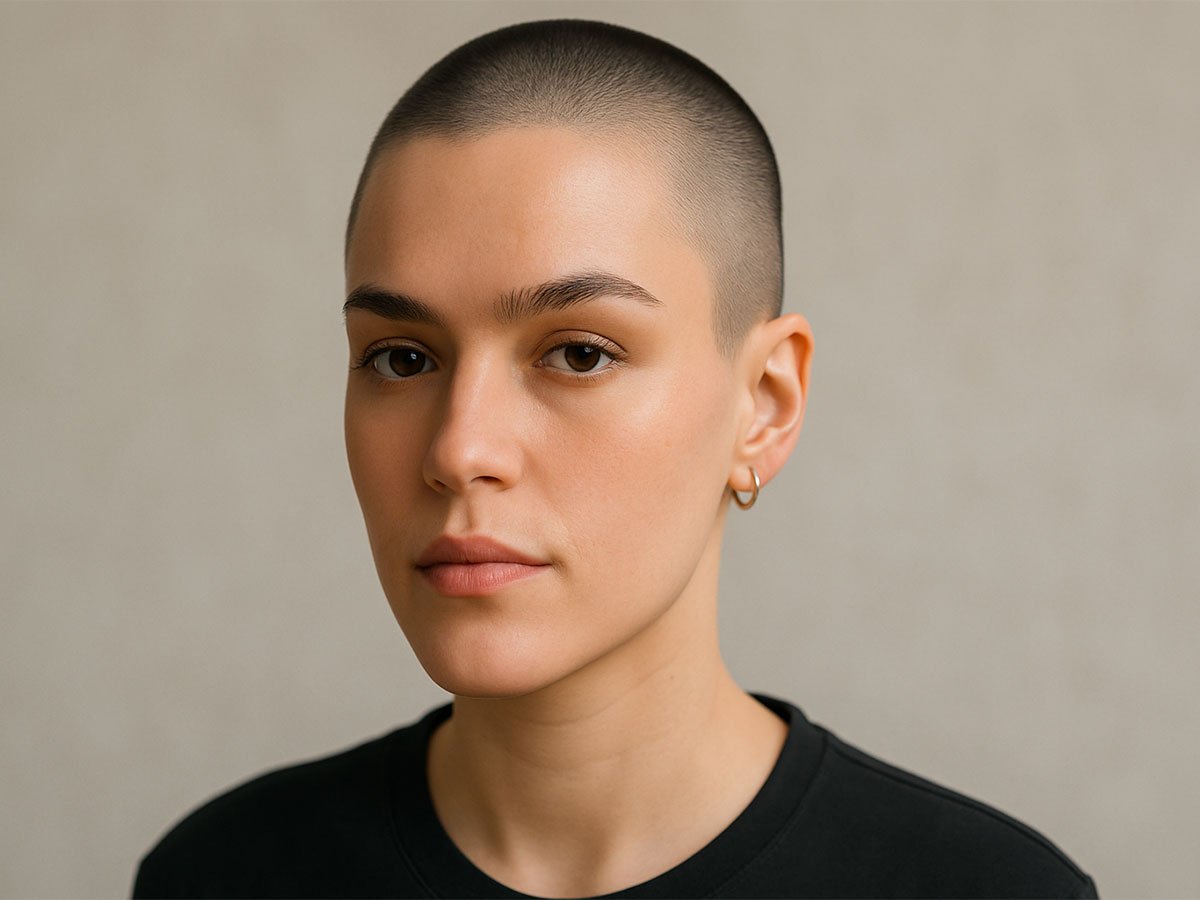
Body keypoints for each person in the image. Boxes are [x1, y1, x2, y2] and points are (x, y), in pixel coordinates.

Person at [132, 19, 1097, 899]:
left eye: (579, 354)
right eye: (402, 357)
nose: (460, 450)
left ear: (764, 404)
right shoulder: (220, 876)